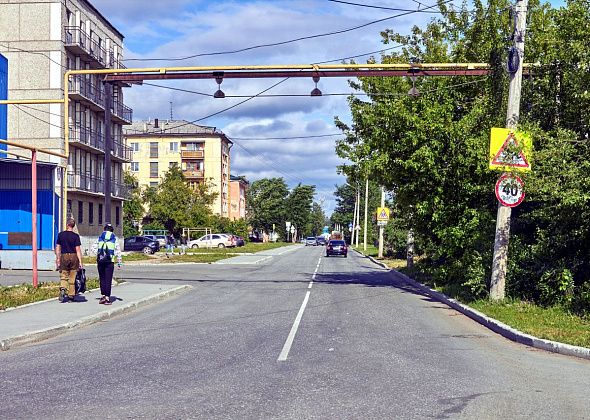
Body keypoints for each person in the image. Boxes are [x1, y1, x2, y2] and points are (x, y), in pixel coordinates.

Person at [55, 218, 84, 302]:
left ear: (67, 225)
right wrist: (80, 262)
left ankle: (63, 288)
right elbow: (78, 250)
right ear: (73, 226)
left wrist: (58, 258)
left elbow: (58, 247)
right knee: (72, 276)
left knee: (63, 274)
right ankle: (71, 296)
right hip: (74, 256)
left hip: (64, 256)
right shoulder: (76, 236)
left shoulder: (61, 235)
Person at [93, 223, 122, 305]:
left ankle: (103, 295)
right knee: (108, 279)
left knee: (102, 278)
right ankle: (107, 298)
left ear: (104, 229)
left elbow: (93, 248)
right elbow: (118, 251)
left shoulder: (100, 237)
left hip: (100, 261)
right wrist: (119, 262)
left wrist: (99, 254)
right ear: (112, 230)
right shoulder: (114, 238)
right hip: (110, 261)